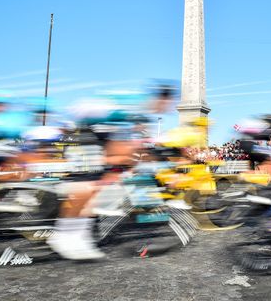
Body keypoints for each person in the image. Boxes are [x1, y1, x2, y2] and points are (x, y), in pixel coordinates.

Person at [47, 84, 176, 260]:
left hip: (99, 132)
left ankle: (78, 238)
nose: (168, 108)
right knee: (87, 186)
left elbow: (133, 148)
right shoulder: (137, 107)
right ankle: (63, 235)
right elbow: (124, 147)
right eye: (168, 104)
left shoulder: (142, 111)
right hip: (86, 128)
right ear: (162, 99)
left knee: (96, 190)